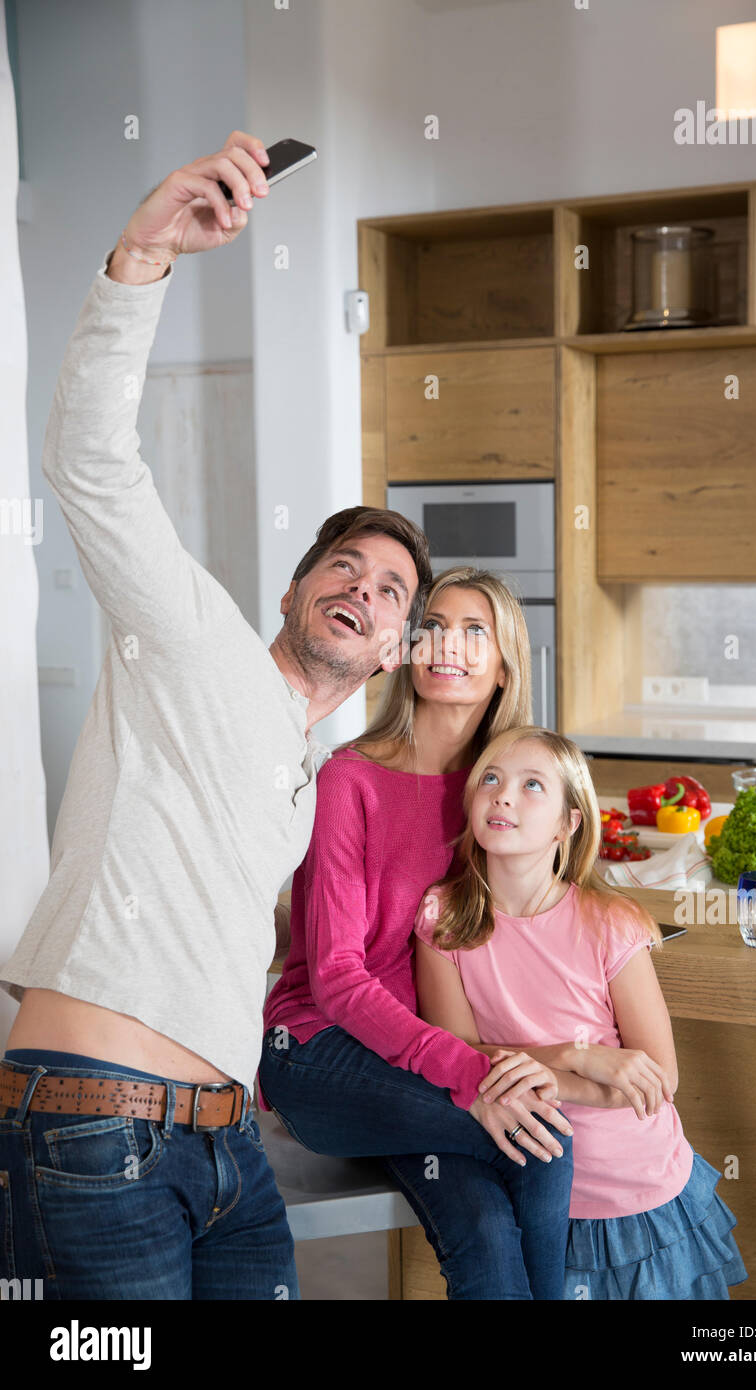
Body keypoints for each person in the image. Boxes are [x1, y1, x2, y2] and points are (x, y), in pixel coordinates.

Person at [0, 130, 432, 1300]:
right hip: (101, 1124)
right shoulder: (192, 642)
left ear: (396, 647)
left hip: (222, 1142)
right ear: (293, 590)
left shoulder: (307, 762)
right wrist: (144, 256)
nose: (363, 589)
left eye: (391, 591)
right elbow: (89, 460)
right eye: (344, 566)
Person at [258, 569, 576, 1300]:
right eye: (432, 626)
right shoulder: (351, 779)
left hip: (424, 1065)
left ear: (504, 667)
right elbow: (336, 978)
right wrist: (471, 1074)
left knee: (487, 1234)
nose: (448, 648)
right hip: (321, 1054)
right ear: (405, 648)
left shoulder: (502, 797)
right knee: (544, 1143)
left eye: (475, 632)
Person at [413, 725, 749, 1300]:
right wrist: (577, 1059)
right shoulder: (441, 918)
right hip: (536, 1189)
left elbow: (658, 1078)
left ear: (570, 823)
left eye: (532, 785)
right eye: (490, 779)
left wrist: (554, 1077)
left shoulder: (612, 920)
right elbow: (457, 1054)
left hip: (639, 1189)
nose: (503, 795)